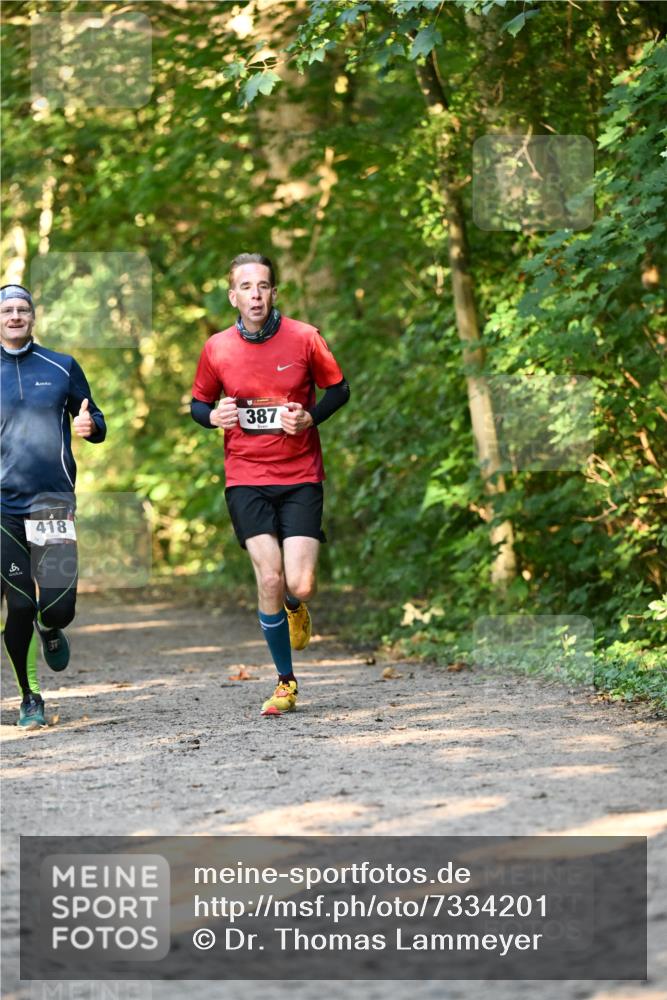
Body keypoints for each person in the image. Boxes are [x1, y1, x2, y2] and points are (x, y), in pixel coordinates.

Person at [191, 253, 349, 716]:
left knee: (299, 582)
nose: (255, 295)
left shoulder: (305, 338)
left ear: (273, 293)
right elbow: (198, 405)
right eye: (246, 287)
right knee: (270, 576)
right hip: (246, 478)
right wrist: (212, 416)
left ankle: (296, 606)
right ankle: (285, 682)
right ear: (233, 296)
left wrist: (310, 416)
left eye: (263, 286)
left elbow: (339, 390)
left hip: (300, 475)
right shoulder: (217, 348)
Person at [0, 283, 107, 729]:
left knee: (58, 608)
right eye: (7, 310)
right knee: (20, 605)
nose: (15, 316)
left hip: (52, 504)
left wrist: (89, 425)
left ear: (33, 316)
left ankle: (51, 628)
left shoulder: (61, 366)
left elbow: (97, 421)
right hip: (3, 508)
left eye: (22, 309)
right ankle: (30, 697)